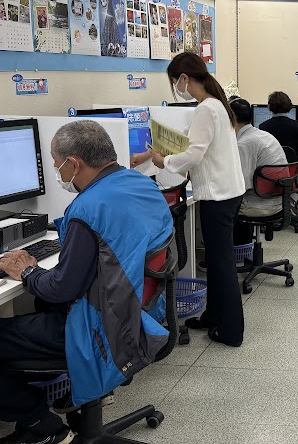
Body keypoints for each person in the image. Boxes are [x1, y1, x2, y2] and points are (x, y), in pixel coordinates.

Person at [0, 121, 173, 444]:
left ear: (73, 163)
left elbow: (61, 288)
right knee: (40, 303)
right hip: (140, 313)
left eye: (55, 163)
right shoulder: (138, 183)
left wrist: (27, 271)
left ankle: (42, 424)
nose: (55, 169)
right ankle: (81, 389)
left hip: (104, 330)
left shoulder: (87, 209)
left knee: (28, 311)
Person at [131, 52, 246, 347]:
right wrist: (147, 155)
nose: (176, 88)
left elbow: (192, 154)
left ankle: (232, 331)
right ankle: (213, 316)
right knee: (218, 263)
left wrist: (163, 163)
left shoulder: (207, 108)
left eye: (175, 82)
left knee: (222, 265)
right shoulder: (214, 105)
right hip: (228, 193)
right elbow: (186, 139)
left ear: (184, 78)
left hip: (218, 197)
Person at [230, 97, 288, 221]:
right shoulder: (263, 135)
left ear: (231, 119)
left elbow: (242, 185)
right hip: (278, 202)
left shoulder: (244, 143)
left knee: (213, 205)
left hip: (258, 205)